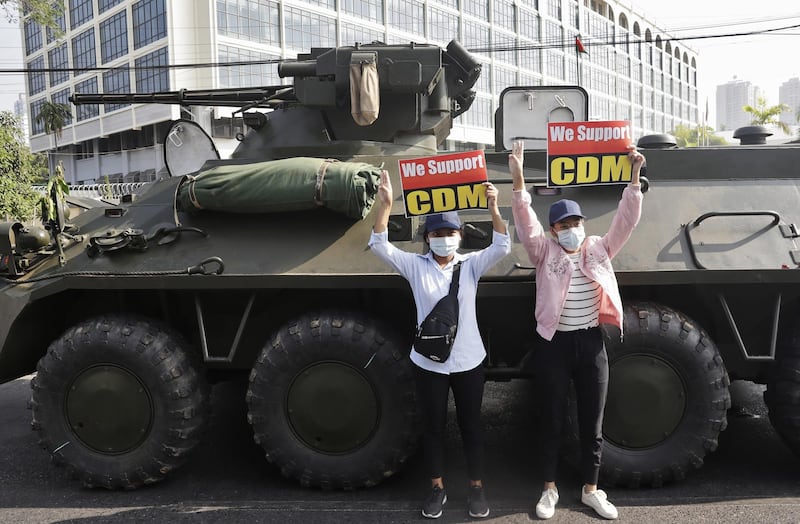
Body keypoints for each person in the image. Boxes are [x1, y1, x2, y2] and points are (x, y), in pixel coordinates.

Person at [508, 140, 645, 520]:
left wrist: (634, 176)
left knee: (593, 422)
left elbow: (626, 220)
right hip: (553, 345)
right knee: (551, 418)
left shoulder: (599, 248)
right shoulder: (543, 252)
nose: (572, 230)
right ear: (553, 231)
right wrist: (518, 176)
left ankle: (591, 489)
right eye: (564, 226)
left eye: (577, 223)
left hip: (590, 344)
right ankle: (549, 490)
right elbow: (524, 219)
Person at [369, 170, 511, 519]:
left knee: (471, 427)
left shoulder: (471, 265)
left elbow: (502, 245)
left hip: (468, 362)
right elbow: (379, 245)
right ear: (427, 238)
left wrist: (494, 208)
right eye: (437, 234)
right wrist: (385, 206)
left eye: (450, 233)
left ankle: (476, 488)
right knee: (432, 428)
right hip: (428, 363)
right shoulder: (415, 266)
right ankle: (436, 488)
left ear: (460, 236)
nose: (444, 239)